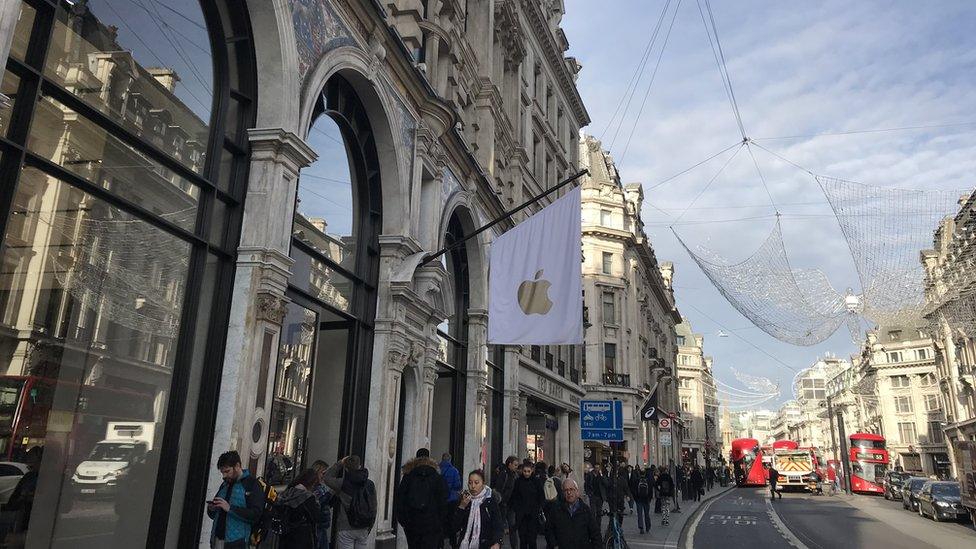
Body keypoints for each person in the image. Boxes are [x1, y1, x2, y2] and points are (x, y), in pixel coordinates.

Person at [207, 450, 265, 549]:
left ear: (237, 466)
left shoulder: (252, 485)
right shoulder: (225, 485)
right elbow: (214, 514)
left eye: (227, 471)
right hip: (217, 540)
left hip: (237, 542)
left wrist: (230, 508)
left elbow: (255, 514)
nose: (224, 476)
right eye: (222, 472)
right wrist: (212, 509)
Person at [395, 449, 448, 549]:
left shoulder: (408, 476)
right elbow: (443, 500)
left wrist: (404, 520)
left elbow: (400, 499)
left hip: (412, 523)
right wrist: (439, 521)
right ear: (429, 459)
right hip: (432, 524)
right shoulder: (437, 477)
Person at [323, 456, 376, 549]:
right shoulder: (370, 484)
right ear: (360, 466)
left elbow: (327, 477)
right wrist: (369, 526)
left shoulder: (342, 483)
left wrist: (340, 463)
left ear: (346, 468)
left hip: (346, 526)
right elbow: (374, 507)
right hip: (363, 526)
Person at [453, 470, 504, 549]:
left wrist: (497, 542)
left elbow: (498, 524)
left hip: (486, 544)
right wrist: (462, 507)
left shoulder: (490, 501)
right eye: (470, 483)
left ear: (483, 483)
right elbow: (454, 527)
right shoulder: (465, 499)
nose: (473, 486)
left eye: (476, 483)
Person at [544, 479, 601, 549]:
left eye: (571, 489)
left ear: (577, 491)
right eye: (566, 490)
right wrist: (554, 545)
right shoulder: (556, 510)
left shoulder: (586, 510)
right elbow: (548, 530)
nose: (569, 492)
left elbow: (596, 534)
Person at [275, 468, 322, 549]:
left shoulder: (287, 493)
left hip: (285, 535)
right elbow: (316, 517)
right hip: (302, 536)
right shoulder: (307, 497)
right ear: (312, 483)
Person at [510, 461, 545, 549]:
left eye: (528, 471)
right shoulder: (518, 481)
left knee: (532, 539)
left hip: (533, 515)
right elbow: (514, 496)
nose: (526, 473)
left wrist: (538, 507)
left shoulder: (536, 481)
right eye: (525, 471)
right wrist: (516, 508)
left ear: (532, 471)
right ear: (522, 471)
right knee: (523, 539)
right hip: (521, 515)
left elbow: (541, 496)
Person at [492, 456, 519, 549]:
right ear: (509, 464)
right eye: (515, 465)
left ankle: (514, 546)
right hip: (503, 504)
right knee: (501, 527)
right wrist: (502, 500)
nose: (516, 467)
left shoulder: (515, 475)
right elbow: (499, 488)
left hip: (511, 505)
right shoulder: (504, 474)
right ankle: (498, 545)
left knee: (512, 527)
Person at [441, 452, 463, 547]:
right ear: (450, 460)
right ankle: (453, 543)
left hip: (440, 500)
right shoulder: (454, 471)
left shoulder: (437, 469)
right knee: (451, 522)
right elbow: (458, 485)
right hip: (452, 499)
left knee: (441, 521)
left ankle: (440, 543)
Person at [312, 461, 334, 549]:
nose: (324, 476)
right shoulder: (313, 487)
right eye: (323, 473)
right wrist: (330, 493)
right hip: (318, 524)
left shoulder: (321, 486)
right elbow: (319, 502)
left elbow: (326, 504)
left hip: (323, 524)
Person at [632, 465, 652, 534]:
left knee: (640, 514)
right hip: (646, 500)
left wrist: (636, 498)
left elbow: (634, 490)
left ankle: (641, 527)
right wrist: (649, 498)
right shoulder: (648, 480)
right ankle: (648, 527)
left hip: (639, 500)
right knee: (647, 514)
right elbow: (650, 490)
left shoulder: (637, 480)